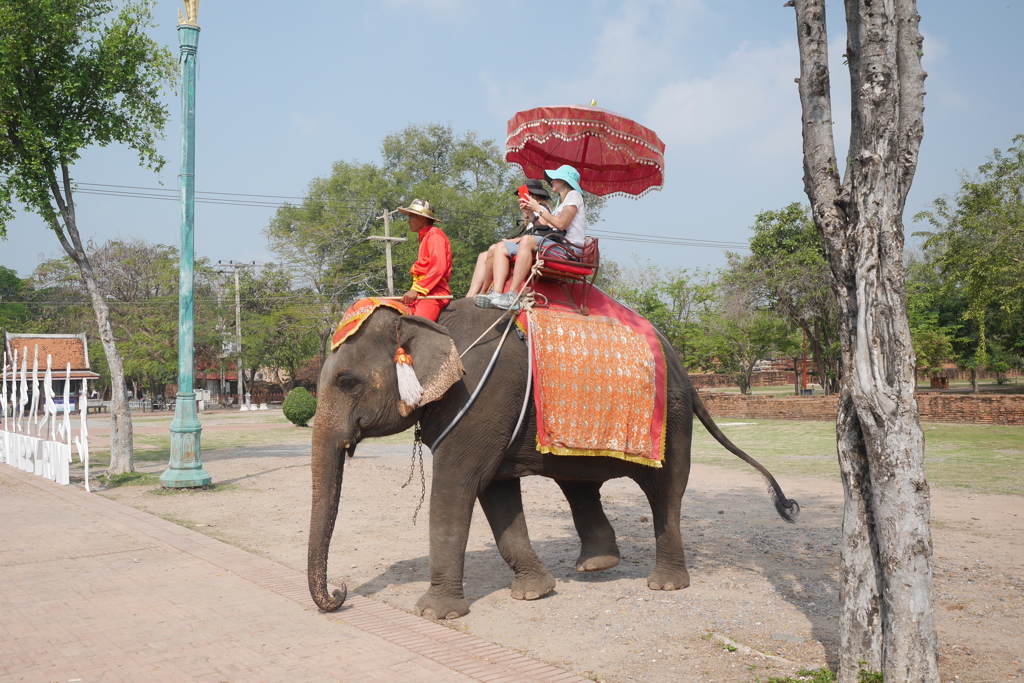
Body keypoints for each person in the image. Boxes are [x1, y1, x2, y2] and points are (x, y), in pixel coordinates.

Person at [475, 164, 586, 311]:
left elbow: (561, 224)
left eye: (555, 178)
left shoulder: (574, 195)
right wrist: (532, 214)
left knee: (527, 240)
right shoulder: (561, 202)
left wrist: (538, 208)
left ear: (565, 180)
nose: (551, 181)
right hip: (554, 243)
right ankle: (496, 293)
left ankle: (512, 295)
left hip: (569, 250)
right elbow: (545, 229)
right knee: (500, 247)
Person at [465, 179, 554, 298]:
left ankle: (489, 291)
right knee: (483, 256)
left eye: (522, 194)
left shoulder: (542, 207)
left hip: (537, 244)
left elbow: (542, 229)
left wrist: (533, 210)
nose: (519, 198)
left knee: (494, 248)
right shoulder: (531, 212)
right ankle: (471, 295)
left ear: (531, 195)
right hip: (529, 241)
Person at [398, 198, 452, 322]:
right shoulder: (425, 236)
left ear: (422, 219)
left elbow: (439, 267)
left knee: (416, 326)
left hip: (434, 293)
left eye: (411, 217)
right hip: (424, 291)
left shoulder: (435, 234)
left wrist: (417, 290)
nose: (408, 221)